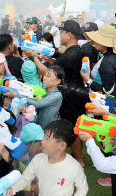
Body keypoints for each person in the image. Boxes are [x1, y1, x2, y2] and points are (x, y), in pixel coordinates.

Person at [3, 119, 89, 196]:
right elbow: (25, 179)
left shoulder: (74, 167)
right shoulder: (38, 159)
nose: (42, 141)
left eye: (47, 139)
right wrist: (12, 189)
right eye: (44, 136)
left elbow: (83, 187)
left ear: (62, 146)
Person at [23, 20, 88, 167]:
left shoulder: (69, 55)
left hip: (71, 97)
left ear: (69, 35)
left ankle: (79, 160)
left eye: (62, 32)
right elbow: (61, 65)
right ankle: (79, 156)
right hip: (77, 93)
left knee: (73, 128)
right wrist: (51, 59)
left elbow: (47, 73)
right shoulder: (77, 50)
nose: (60, 35)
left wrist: (33, 56)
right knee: (75, 126)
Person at [5, 65, 64, 129]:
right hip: (38, 127)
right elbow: (36, 110)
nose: (44, 78)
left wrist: (16, 95)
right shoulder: (43, 91)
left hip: (48, 130)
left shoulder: (57, 95)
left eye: (48, 76)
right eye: (45, 74)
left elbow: (37, 104)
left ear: (58, 81)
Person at [80, 24, 116, 103]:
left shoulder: (107, 62)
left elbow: (107, 91)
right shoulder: (109, 56)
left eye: (98, 40)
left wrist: (87, 80)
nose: (95, 42)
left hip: (104, 103)